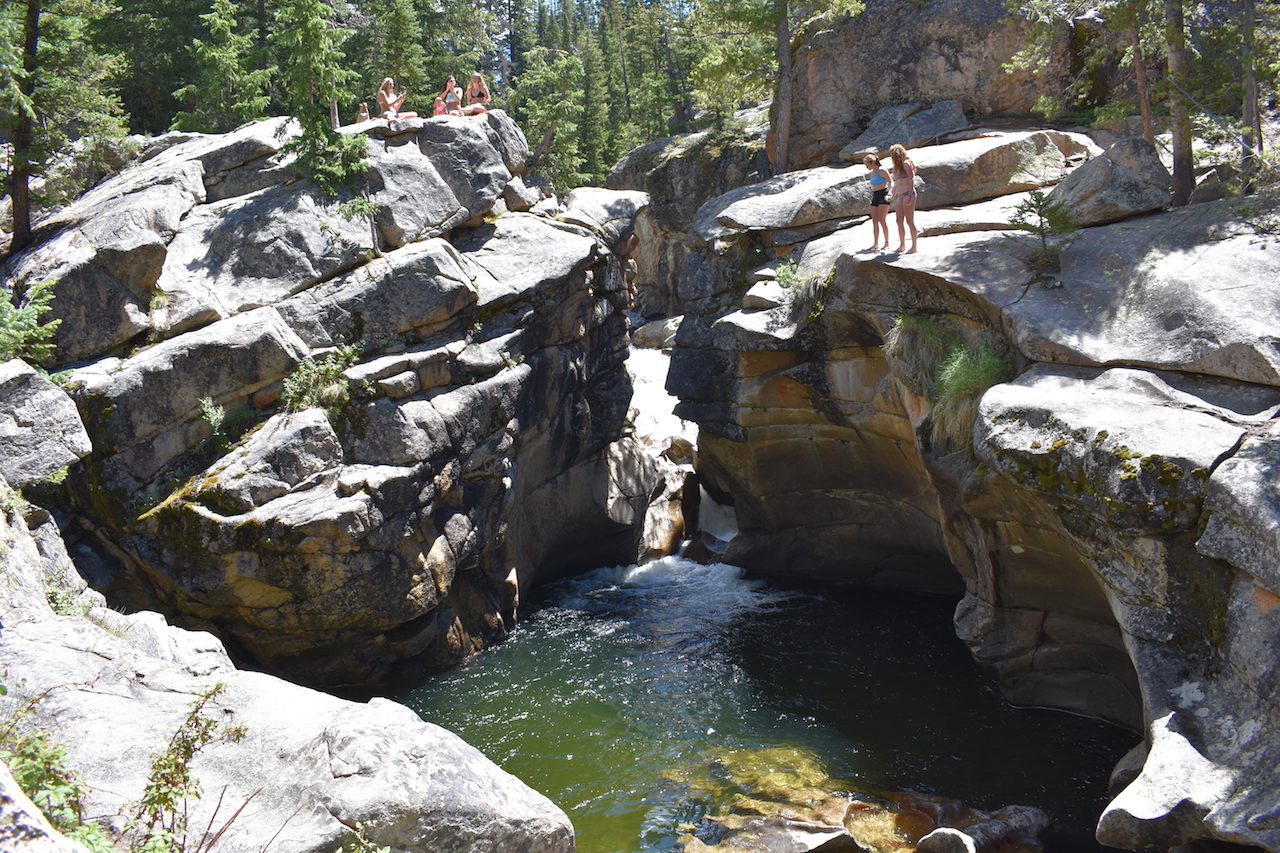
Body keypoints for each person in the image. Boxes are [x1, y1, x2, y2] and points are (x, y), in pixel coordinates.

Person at [888, 143, 918, 254]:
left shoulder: (906, 164)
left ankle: (914, 246)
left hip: (907, 194)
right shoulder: (896, 166)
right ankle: (902, 245)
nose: (892, 157)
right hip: (900, 196)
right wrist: (892, 194)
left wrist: (910, 195)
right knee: (899, 220)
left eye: (893, 154)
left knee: (909, 221)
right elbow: (896, 183)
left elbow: (911, 179)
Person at [863, 154, 892, 251]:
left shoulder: (882, 170)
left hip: (883, 194)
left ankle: (886, 243)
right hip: (875, 195)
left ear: (872, 163)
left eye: (867, 165)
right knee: (874, 220)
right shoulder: (872, 173)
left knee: (881, 219)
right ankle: (875, 244)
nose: (866, 167)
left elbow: (891, 181)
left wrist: (890, 193)